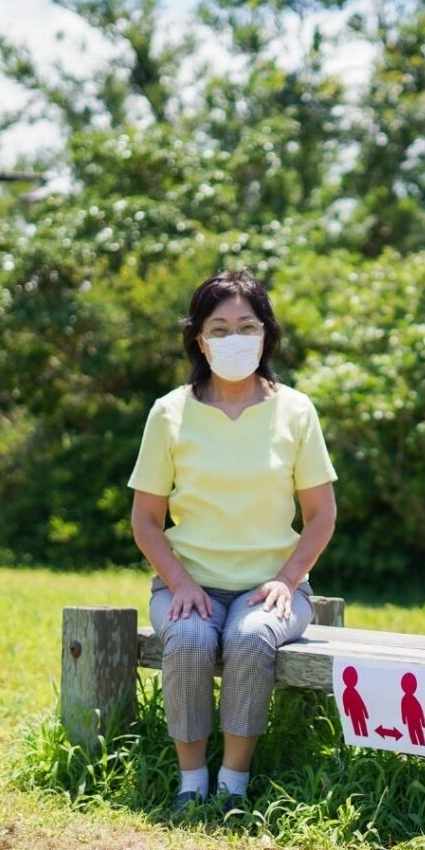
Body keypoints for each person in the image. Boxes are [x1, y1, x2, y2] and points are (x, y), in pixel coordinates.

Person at [128, 270, 337, 813]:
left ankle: (233, 786)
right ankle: (190, 782)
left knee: (248, 638)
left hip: (272, 591)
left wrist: (286, 582)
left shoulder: (296, 410)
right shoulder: (169, 412)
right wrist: (180, 585)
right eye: (219, 328)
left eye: (246, 326)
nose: (234, 338)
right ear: (198, 339)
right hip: (186, 585)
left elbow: (320, 516)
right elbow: (146, 520)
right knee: (192, 640)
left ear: (266, 334)